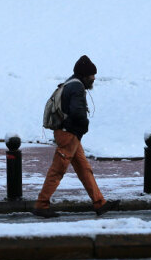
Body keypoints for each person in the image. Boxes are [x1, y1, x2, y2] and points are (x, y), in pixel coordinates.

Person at [33, 55, 120, 218]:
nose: (94, 78)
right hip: (69, 135)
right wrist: (84, 125)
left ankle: (99, 203)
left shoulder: (70, 83)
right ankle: (41, 204)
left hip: (69, 133)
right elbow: (77, 112)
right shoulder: (77, 88)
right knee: (57, 170)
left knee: (84, 169)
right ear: (84, 75)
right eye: (92, 75)